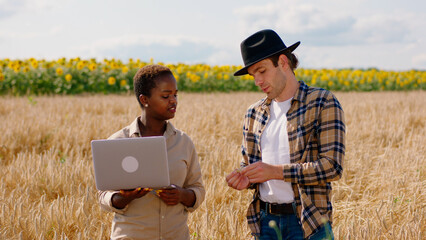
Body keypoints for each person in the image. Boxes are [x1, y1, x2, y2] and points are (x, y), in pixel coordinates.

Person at [226, 29, 345, 240]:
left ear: (283, 62)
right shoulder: (254, 113)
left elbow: (332, 167)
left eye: (262, 71)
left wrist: (276, 172)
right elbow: (251, 165)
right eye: (254, 75)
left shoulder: (322, 102)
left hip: (309, 223)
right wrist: (246, 179)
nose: (257, 81)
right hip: (264, 223)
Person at [98, 64, 205, 240]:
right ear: (144, 99)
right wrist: (124, 198)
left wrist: (182, 195)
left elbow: (198, 189)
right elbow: (103, 196)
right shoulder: (118, 142)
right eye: (165, 96)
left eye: (175, 95)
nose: (173, 100)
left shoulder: (183, 142)